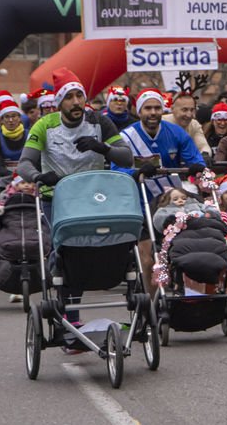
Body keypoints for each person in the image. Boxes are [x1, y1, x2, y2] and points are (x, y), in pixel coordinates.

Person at [16, 68, 134, 326]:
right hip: (57, 198)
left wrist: (102, 147)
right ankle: (71, 316)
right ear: (59, 102)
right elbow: (24, 163)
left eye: (79, 96)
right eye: (69, 97)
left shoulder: (98, 122)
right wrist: (38, 177)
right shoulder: (45, 126)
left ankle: (131, 300)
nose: (77, 102)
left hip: (95, 197)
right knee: (70, 253)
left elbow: (127, 158)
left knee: (106, 246)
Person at [117, 90, 206, 201]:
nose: (153, 112)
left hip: (171, 199)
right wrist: (137, 173)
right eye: (148, 108)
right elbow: (117, 170)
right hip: (137, 198)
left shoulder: (177, 132)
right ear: (139, 112)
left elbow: (195, 160)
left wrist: (198, 168)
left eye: (157, 108)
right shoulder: (126, 137)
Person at [164, 93, 211, 159]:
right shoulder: (161, 123)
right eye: (184, 110)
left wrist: (205, 154)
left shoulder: (194, 124)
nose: (189, 115)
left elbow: (203, 145)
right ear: (172, 109)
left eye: (192, 110)